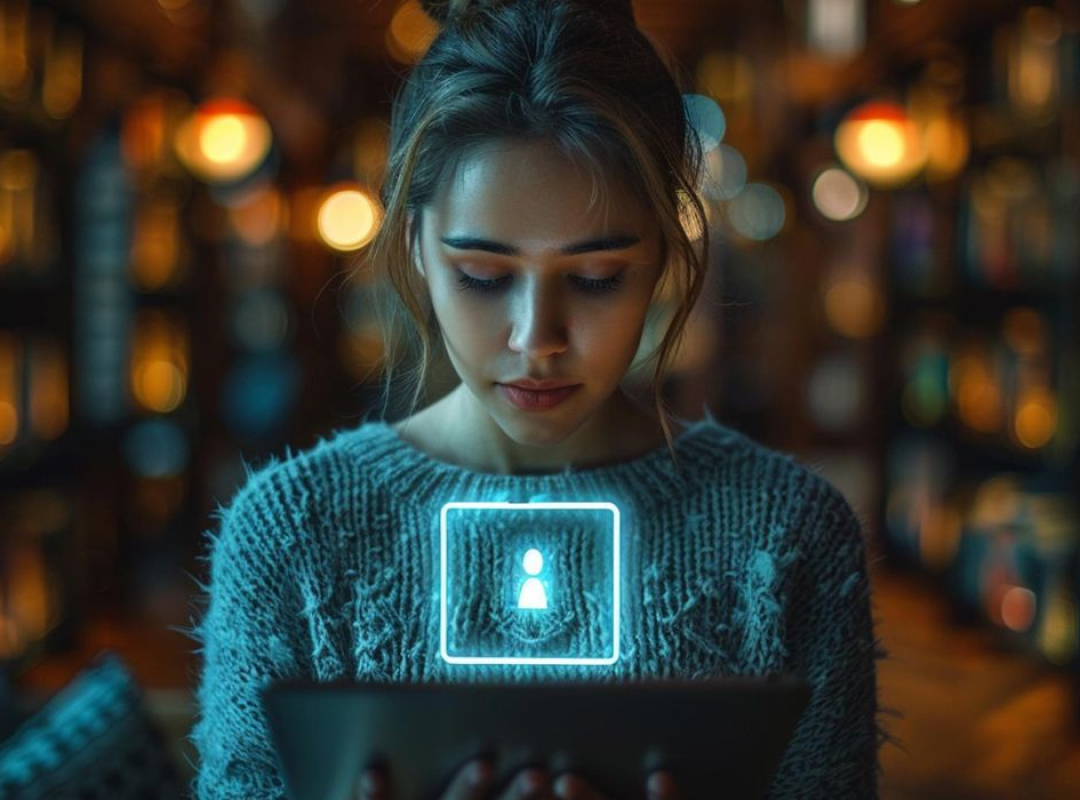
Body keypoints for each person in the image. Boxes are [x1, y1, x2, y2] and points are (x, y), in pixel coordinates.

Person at [185, 0, 895, 798]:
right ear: (415, 247)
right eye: (484, 277)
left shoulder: (787, 534)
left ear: (665, 252)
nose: (537, 337)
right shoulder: (292, 533)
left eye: (596, 279)